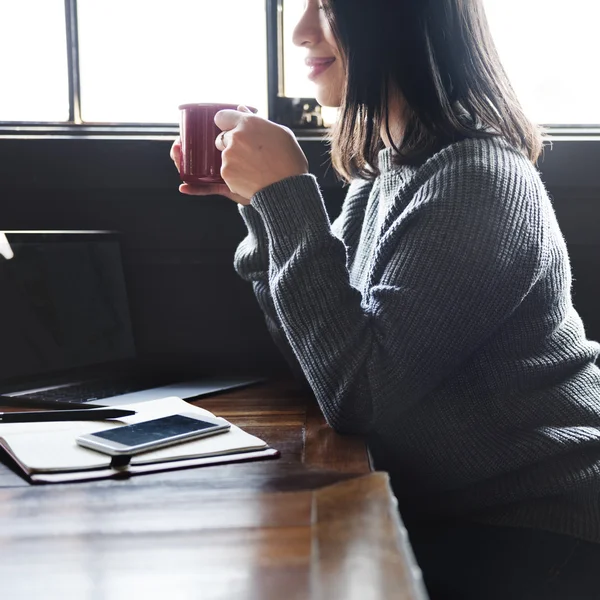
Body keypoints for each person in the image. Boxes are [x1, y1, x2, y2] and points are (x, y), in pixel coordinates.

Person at [170, 0, 600, 597]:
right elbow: (321, 359)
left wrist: (287, 199)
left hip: (538, 523)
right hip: (453, 508)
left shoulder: (478, 179)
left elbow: (360, 396)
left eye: (326, 7)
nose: (300, 31)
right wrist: (261, 209)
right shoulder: (383, 172)